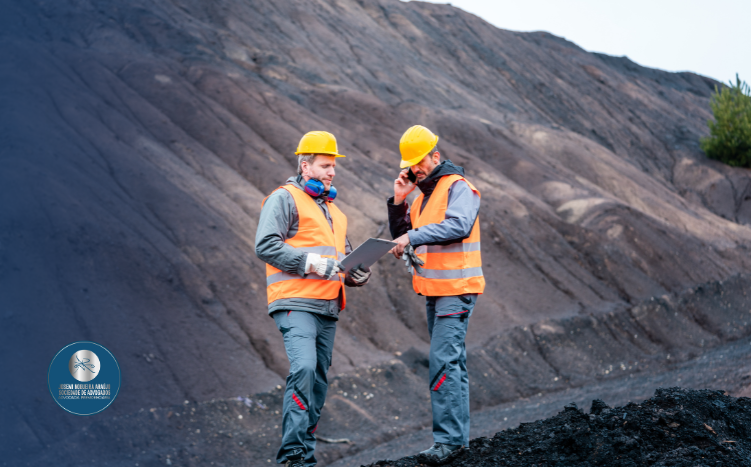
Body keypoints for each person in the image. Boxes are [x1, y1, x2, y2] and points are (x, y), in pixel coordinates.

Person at [255, 131, 371, 467]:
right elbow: (266, 245)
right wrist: (312, 263)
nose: (332, 172)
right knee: (304, 368)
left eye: (333, 166)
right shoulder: (283, 198)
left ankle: (305, 456)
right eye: (325, 165)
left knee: (318, 382)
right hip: (294, 302)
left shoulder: (335, 212)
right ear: (305, 166)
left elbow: (344, 259)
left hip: (328, 306)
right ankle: (291, 454)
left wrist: (356, 274)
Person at [387, 125, 484, 460]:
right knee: (451, 362)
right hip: (435, 290)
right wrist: (399, 201)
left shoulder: (459, 187)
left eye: (420, 162)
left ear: (436, 156)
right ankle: (457, 441)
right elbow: (404, 233)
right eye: (411, 164)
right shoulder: (422, 198)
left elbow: (459, 225)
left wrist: (411, 239)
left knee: (443, 360)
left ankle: (449, 442)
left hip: (456, 289)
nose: (416, 169)